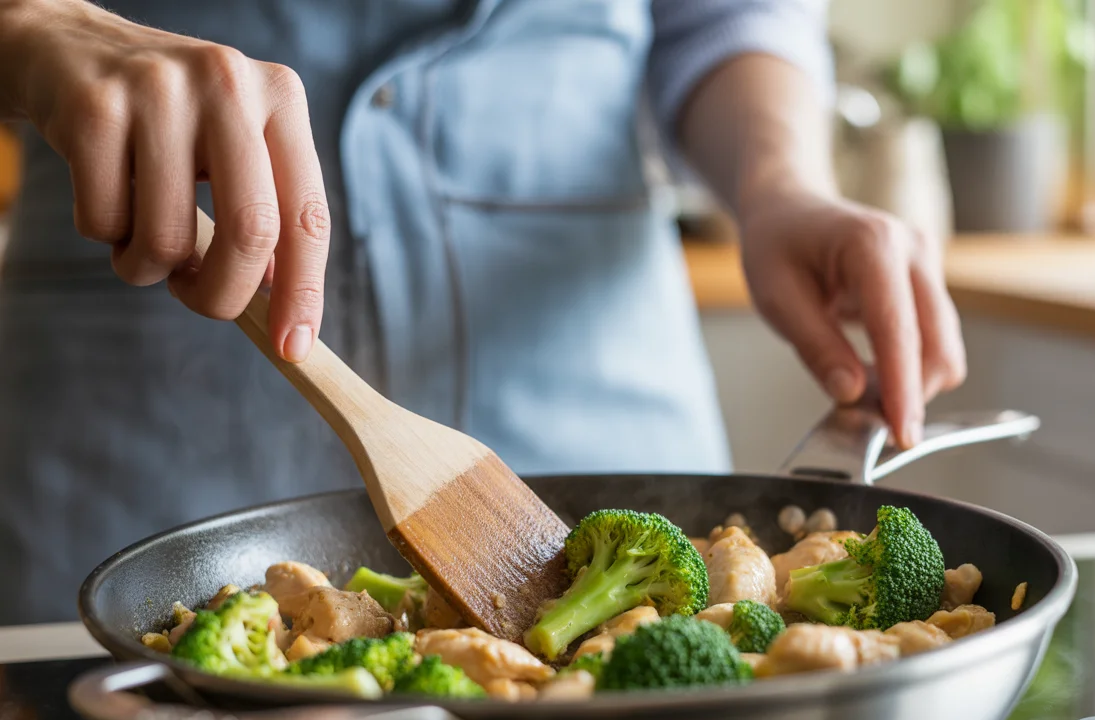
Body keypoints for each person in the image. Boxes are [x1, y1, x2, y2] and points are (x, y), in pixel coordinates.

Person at [0, 0, 965, 626]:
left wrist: (781, 183)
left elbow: (722, 18)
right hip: (144, 448)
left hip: (588, 368)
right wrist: (31, 27)